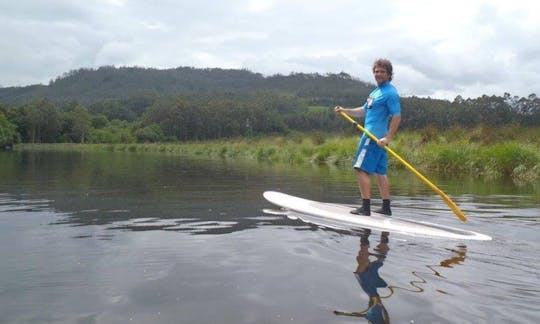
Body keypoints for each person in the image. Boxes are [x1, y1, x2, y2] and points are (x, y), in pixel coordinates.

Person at [334, 58, 401, 216]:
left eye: (382, 71)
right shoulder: (375, 92)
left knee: (360, 169)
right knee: (380, 172)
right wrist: (345, 110)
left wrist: (388, 138)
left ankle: (365, 208)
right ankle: (386, 207)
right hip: (378, 138)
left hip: (373, 137)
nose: (378, 74)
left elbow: (397, 116)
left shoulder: (390, 93)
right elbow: (363, 111)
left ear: (389, 74)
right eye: (376, 71)